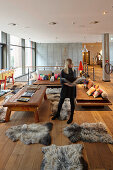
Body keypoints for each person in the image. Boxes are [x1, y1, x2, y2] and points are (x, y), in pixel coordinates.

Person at [52, 58, 76, 124]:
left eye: (71, 64)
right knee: (61, 102)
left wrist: (74, 82)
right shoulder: (63, 71)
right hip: (65, 88)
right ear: (67, 64)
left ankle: (71, 117)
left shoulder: (74, 70)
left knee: (72, 103)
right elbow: (61, 80)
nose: (71, 65)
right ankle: (57, 114)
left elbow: (74, 79)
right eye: (69, 64)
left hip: (72, 89)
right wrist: (68, 83)